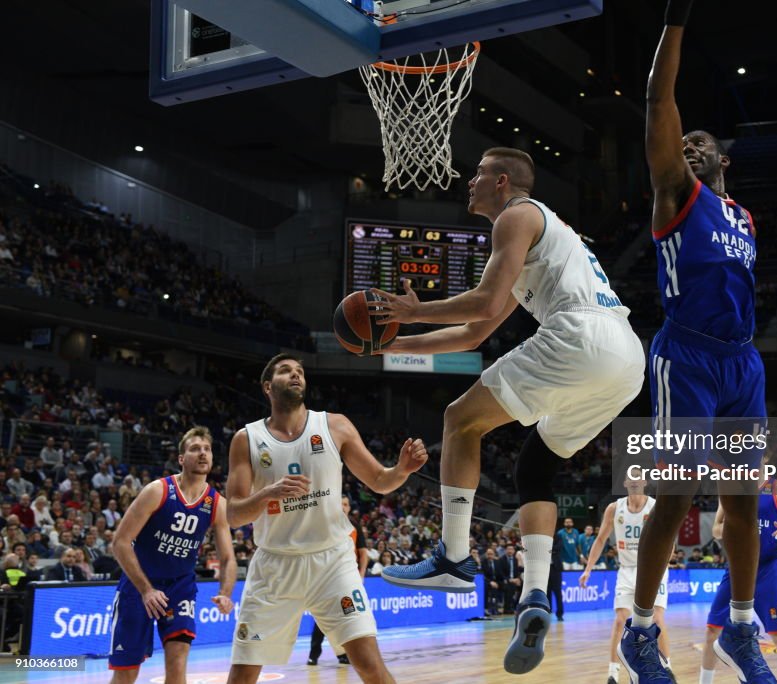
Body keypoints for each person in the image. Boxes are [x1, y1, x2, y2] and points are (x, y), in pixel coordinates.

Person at [375, 146, 645, 675]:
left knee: (459, 419)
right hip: (625, 359)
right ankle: (536, 595)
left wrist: (413, 310)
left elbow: (483, 303)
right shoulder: (539, 230)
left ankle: (453, 558)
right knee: (534, 466)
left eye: (477, 174)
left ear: (502, 182)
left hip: (579, 336)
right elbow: (477, 331)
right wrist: (398, 343)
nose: (468, 181)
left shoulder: (518, 215)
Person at [619, 2, 776, 682]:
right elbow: (659, 98)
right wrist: (674, 22)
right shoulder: (672, 193)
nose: (688, 147)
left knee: (745, 503)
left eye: (699, 143)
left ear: (724, 158)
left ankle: (742, 631)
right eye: (682, 143)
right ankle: (642, 631)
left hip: (742, 362)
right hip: (687, 356)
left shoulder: (740, 213)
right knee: (676, 494)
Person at [225, 354, 428, 684]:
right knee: (242, 676)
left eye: (300, 371)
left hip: (333, 562)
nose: (296, 374)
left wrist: (402, 470)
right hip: (275, 567)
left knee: (369, 664)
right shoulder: (246, 439)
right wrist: (267, 494)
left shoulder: (335, 425)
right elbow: (233, 514)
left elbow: (379, 480)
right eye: (285, 370)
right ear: (267, 386)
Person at [108, 426, 236, 684]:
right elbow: (120, 542)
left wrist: (225, 592)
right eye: (195, 449)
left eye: (207, 449)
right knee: (127, 672)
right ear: (181, 458)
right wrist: (146, 590)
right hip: (139, 587)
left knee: (178, 664)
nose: (203, 454)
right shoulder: (158, 490)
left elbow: (228, 559)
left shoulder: (217, 503)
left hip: (180, 588)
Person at [701, 478, 777, 683]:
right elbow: (716, 529)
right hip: (737, 566)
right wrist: (734, 528)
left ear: (765, 457)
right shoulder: (730, 488)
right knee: (713, 630)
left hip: (768, 568)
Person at [581, 478, 673, 684]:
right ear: (624, 483)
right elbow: (600, 539)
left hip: (653, 568)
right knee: (620, 620)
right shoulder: (614, 508)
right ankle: (613, 674)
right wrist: (588, 569)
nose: (634, 482)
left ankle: (667, 668)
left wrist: (663, 564)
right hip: (627, 570)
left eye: (637, 478)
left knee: (657, 619)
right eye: (630, 478)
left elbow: (669, 537)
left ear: (645, 482)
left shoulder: (655, 506)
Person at [307, 494, 370, 666]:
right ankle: (314, 654)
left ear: (349, 508)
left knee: (348, 616)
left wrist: (361, 575)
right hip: (326, 577)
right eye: (339, 503)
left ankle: (343, 654)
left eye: (345, 504)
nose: (342, 507)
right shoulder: (326, 524)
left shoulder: (355, 526)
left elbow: (363, 553)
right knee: (322, 617)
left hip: (347, 578)